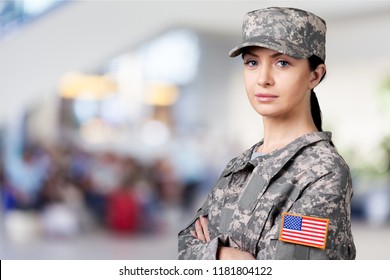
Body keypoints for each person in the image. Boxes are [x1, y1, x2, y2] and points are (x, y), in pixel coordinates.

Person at [178, 7, 356, 260]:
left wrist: (208, 253)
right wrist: (225, 257)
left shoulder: (322, 172)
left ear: (315, 75)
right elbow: (183, 247)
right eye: (252, 62)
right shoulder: (239, 166)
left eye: (282, 63)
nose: (263, 79)